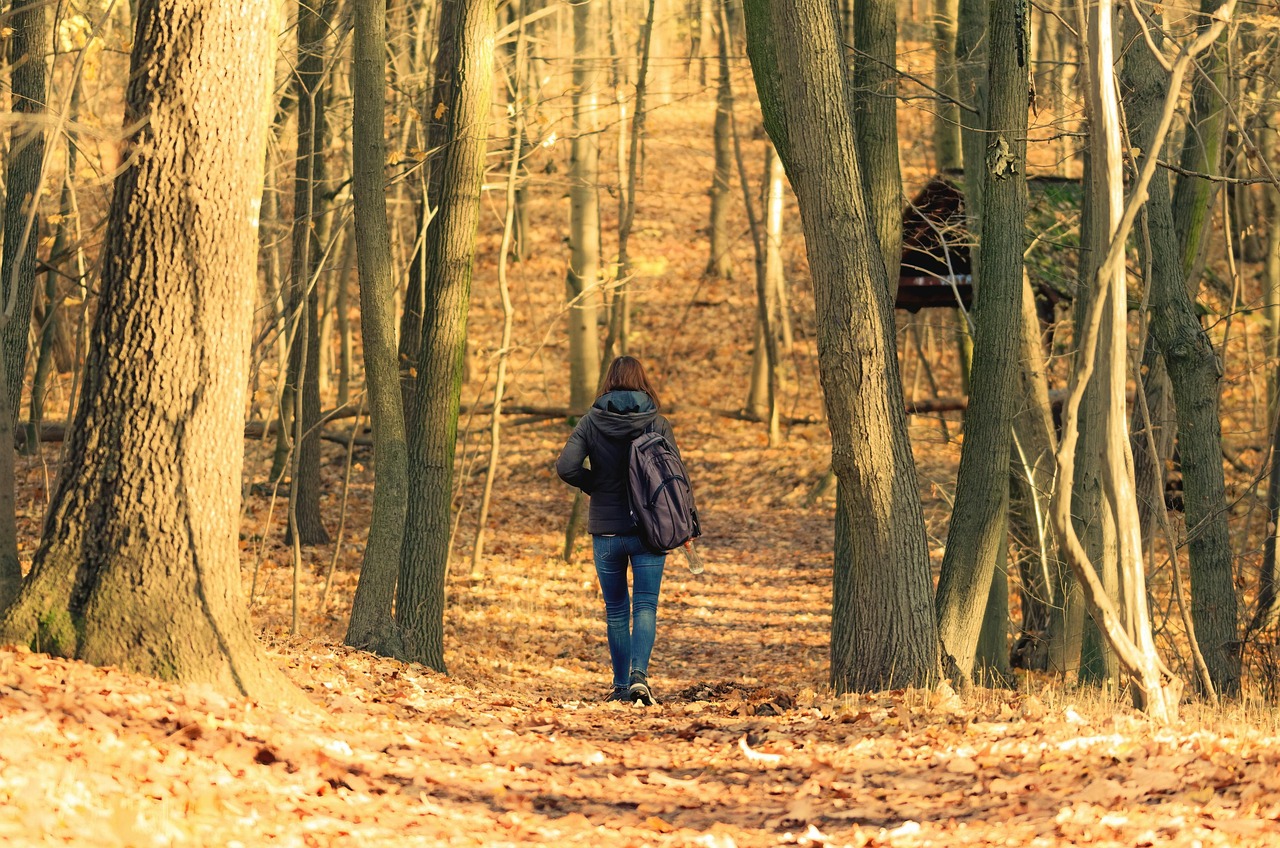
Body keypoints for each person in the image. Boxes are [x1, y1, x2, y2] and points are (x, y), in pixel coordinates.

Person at [556, 356, 683, 705]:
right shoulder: (657, 423)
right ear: (642, 381)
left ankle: (620, 685)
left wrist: (593, 484)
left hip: (607, 530)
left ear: (608, 382)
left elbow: (566, 466)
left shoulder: (591, 422)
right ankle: (639, 677)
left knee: (616, 609)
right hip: (650, 529)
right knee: (645, 606)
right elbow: (675, 479)